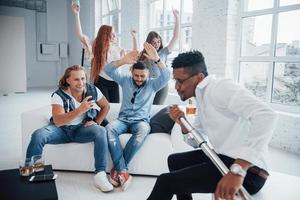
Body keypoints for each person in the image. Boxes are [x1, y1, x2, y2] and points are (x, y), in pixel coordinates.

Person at [147, 50, 278, 200]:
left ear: (199, 77)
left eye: (180, 81)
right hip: (223, 157)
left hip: (250, 172)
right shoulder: (201, 97)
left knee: (166, 181)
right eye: (175, 81)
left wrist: (238, 170)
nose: (176, 87)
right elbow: (196, 141)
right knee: (174, 161)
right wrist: (183, 125)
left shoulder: (219, 88)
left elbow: (267, 115)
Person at [25, 65, 114, 192]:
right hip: (61, 130)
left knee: (100, 130)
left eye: (83, 78)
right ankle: (30, 172)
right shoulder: (59, 95)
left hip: (81, 129)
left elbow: (106, 106)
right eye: (76, 79)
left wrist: (96, 121)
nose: (81, 83)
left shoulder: (93, 90)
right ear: (68, 80)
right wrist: (79, 110)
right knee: (38, 135)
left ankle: (100, 175)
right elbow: (58, 120)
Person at [104, 42, 171, 191]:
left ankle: (118, 169)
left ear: (148, 75)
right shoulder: (125, 80)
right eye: (136, 75)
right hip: (122, 120)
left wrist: (157, 60)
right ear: (132, 73)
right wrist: (122, 61)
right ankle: (123, 171)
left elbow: (167, 76)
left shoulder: (153, 85)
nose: (139, 79)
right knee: (109, 129)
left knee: (143, 131)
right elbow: (107, 69)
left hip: (141, 121)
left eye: (142, 76)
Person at [71, 2, 137, 103]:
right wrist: (76, 14)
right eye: (112, 34)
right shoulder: (95, 46)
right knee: (104, 108)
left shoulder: (117, 49)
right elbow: (80, 34)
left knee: (114, 107)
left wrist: (134, 37)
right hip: (100, 81)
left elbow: (134, 54)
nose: (115, 36)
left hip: (114, 81)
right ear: (106, 35)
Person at [140, 9, 179, 105]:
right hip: (148, 84)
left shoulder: (164, 52)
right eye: (154, 42)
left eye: (158, 42)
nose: (157, 44)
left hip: (162, 84)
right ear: (149, 43)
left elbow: (175, 36)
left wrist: (177, 18)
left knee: (157, 106)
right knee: (146, 106)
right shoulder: (143, 55)